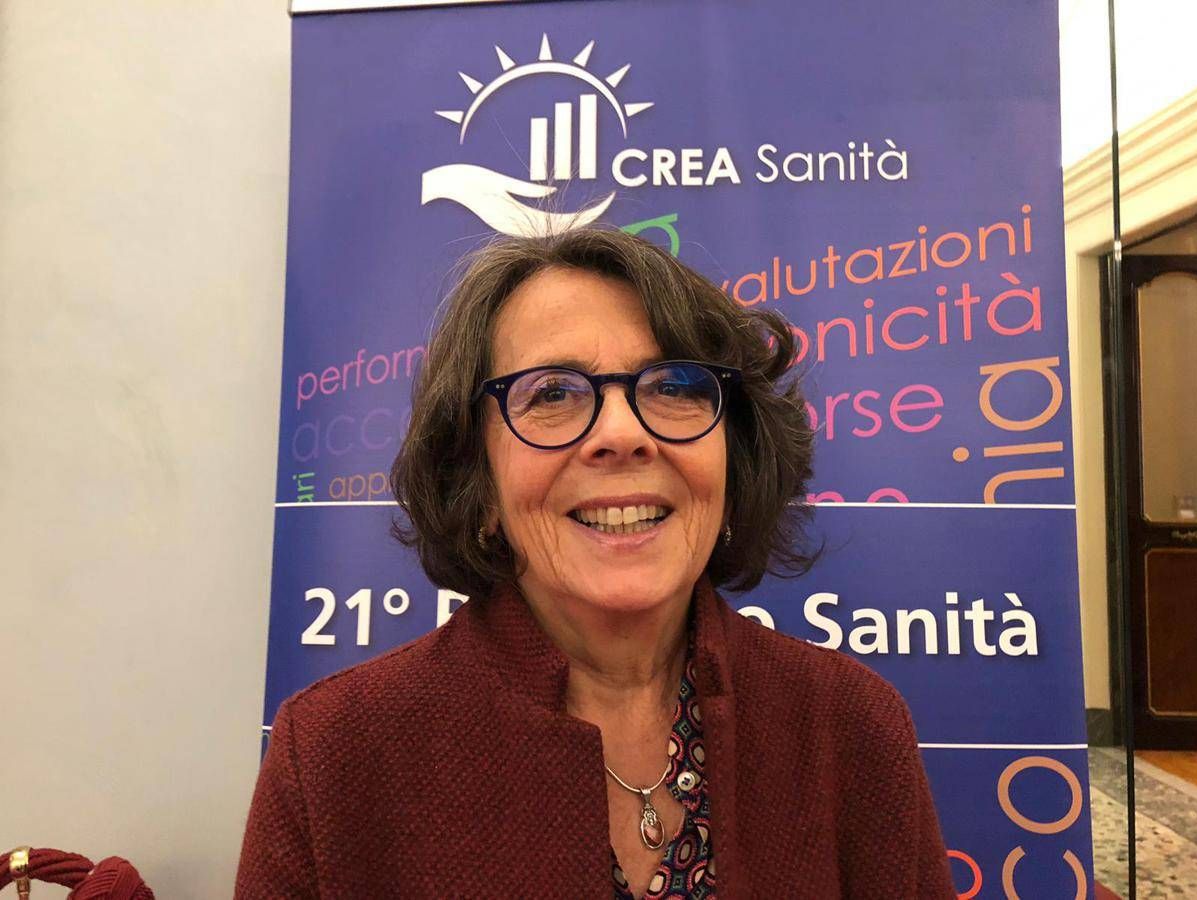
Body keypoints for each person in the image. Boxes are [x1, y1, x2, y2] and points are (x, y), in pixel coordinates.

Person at [235, 227, 957, 899]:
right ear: (478, 484)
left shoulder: (851, 727)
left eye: (673, 386)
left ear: (734, 462)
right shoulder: (332, 757)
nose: (621, 432)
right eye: (551, 392)